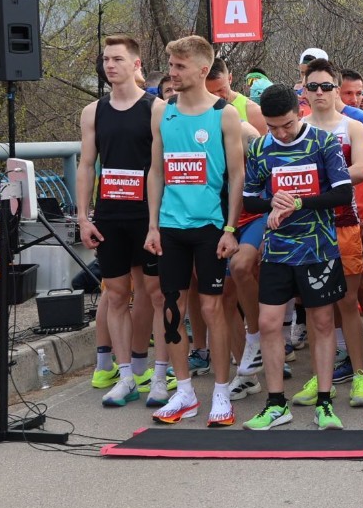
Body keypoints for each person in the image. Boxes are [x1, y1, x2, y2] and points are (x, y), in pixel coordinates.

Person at [238, 85, 353, 430]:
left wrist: (297, 202)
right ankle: (276, 404)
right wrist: (271, 202)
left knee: (322, 323)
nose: (281, 133)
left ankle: (324, 402)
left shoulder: (323, 142)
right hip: (277, 250)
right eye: (272, 127)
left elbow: (343, 193)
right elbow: (249, 199)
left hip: (318, 248)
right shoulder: (259, 147)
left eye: (286, 125)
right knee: (269, 323)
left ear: (299, 112)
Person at [144, 35, 245, 426]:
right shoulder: (162, 112)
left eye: (180, 66)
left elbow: (236, 176)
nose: (173, 72)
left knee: (212, 308)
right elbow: (156, 171)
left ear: (203, 70)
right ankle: (184, 392)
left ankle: (221, 391)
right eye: (171, 65)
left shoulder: (224, 114)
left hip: (210, 226)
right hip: (171, 227)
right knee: (172, 308)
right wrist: (153, 225)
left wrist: (231, 228)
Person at [77, 35, 170, 408]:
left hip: (147, 214)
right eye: (106, 59)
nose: (110, 65)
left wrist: (157, 221)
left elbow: (162, 166)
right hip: (109, 214)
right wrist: (83, 217)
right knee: (116, 295)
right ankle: (127, 376)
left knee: (158, 294)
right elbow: (86, 165)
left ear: (136, 64)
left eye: (117, 59)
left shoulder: (157, 108)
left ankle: (160, 376)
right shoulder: (92, 111)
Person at [293, 58, 363, 408]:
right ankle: (320, 376)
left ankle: (359, 376)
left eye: (326, 86)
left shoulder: (353, 126)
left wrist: (320, 181)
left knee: (348, 303)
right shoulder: (297, 128)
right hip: (308, 227)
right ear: (304, 90)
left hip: (344, 223)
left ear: (336, 89)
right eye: (313, 86)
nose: (320, 92)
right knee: (316, 308)